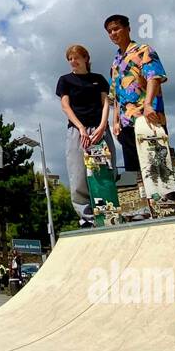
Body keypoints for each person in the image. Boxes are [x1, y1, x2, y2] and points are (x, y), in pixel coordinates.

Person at [105, 14, 175, 216]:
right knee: (136, 166)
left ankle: (166, 202)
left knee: (155, 159)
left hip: (147, 116)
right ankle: (147, 205)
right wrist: (115, 121)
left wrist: (148, 104)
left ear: (128, 28)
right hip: (126, 121)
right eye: (110, 31)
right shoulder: (115, 61)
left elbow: (154, 77)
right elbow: (115, 94)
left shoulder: (143, 50)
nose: (113, 33)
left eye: (116, 28)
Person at [57, 43, 118, 228]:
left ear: (86, 59)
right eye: (70, 59)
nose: (73, 61)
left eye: (76, 57)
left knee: (106, 169)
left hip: (100, 128)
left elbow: (106, 103)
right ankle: (86, 217)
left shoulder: (98, 79)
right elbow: (65, 106)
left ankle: (108, 210)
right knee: (78, 173)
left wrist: (102, 126)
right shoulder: (65, 80)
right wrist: (81, 128)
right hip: (78, 130)